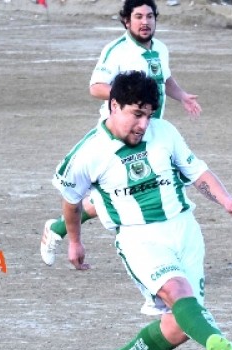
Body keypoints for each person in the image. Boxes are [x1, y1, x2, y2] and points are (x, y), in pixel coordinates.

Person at [51, 71, 232, 350]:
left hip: (185, 231)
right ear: (113, 105)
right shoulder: (86, 155)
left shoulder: (165, 132)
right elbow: (71, 205)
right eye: (136, 114)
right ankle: (216, 341)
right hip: (138, 238)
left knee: (179, 327)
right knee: (178, 293)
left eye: (148, 115)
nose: (143, 124)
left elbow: (197, 172)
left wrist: (226, 199)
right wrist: (74, 241)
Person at [40, 0, 202, 271]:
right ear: (127, 21)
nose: (145, 22)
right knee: (130, 192)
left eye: (150, 16)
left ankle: (58, 228)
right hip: (119, 136)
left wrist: (182, 96)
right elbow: (96, 86)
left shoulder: (161, 49)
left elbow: (166, 78)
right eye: (138, 16)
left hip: (151, 133)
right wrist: (129, 97)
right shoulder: (117, 51)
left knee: (139, 191)